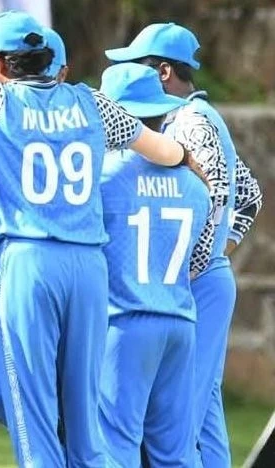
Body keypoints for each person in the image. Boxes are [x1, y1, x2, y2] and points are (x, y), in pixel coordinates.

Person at [0, 11, 206, 467]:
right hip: (88, 268)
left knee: (34, 419)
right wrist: (187, 157)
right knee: (86, 424)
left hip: (29, 261)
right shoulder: (93, 104)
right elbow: (164, 151)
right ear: (48, 60)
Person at [105, 24, 264, 466]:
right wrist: (216, 252)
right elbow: (249, 195)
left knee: (182, 418)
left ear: (162, 72)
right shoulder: (196, 116)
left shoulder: (188, 120)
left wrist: (197, 261)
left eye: (137, 65)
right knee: (202, 407)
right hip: (201, 274)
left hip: (192, 280)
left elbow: (216, 194)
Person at [97, 62, 211, 467]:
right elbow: (199, 258)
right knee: (175, 453)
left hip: (124, 323)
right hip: (180, 324)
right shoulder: (196, 187)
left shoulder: (101, 178)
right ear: (162, 112)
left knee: (116, 447)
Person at [0, 25, 69, 429]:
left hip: (67, 261)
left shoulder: (84, 115)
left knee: (65, 397)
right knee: (0, 387)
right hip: (0, 263)